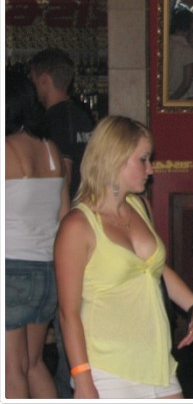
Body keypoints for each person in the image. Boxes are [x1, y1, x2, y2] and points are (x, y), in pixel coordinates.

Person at [54, 116, 193, 399]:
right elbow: (68, 312)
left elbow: (154, 269)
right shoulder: (78, 225)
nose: (150, 169)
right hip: (107, 367)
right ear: (115, 159)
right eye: (143, 159)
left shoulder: (140, 205)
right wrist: (82, 378)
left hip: (157, 361)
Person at [28, 47, 94, 397]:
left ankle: (71, 390)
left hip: (69, 227)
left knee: (67, 317)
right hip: (91, 223)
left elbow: (63, 179)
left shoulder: (53, 120)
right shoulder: (86, 117)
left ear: (43, 79)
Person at [5, 72, 70, 399]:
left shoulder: (6, 149)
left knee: (10, 371)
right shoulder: (51, 150)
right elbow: (64, 215)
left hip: (10, 268)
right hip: (47, 270)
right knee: (33, 364)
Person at [28, 48, 94, 200]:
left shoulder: (55, 119)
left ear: (44, 79)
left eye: (33, 79)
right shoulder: (82, 115)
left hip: (68, 205)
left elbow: (65, 176)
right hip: (86, 201)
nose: (32, 85)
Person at [168, 7, 193, 99]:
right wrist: (173, 99)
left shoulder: (166, 43)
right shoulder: (186, 49)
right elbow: (186, 83)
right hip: (180, 95)